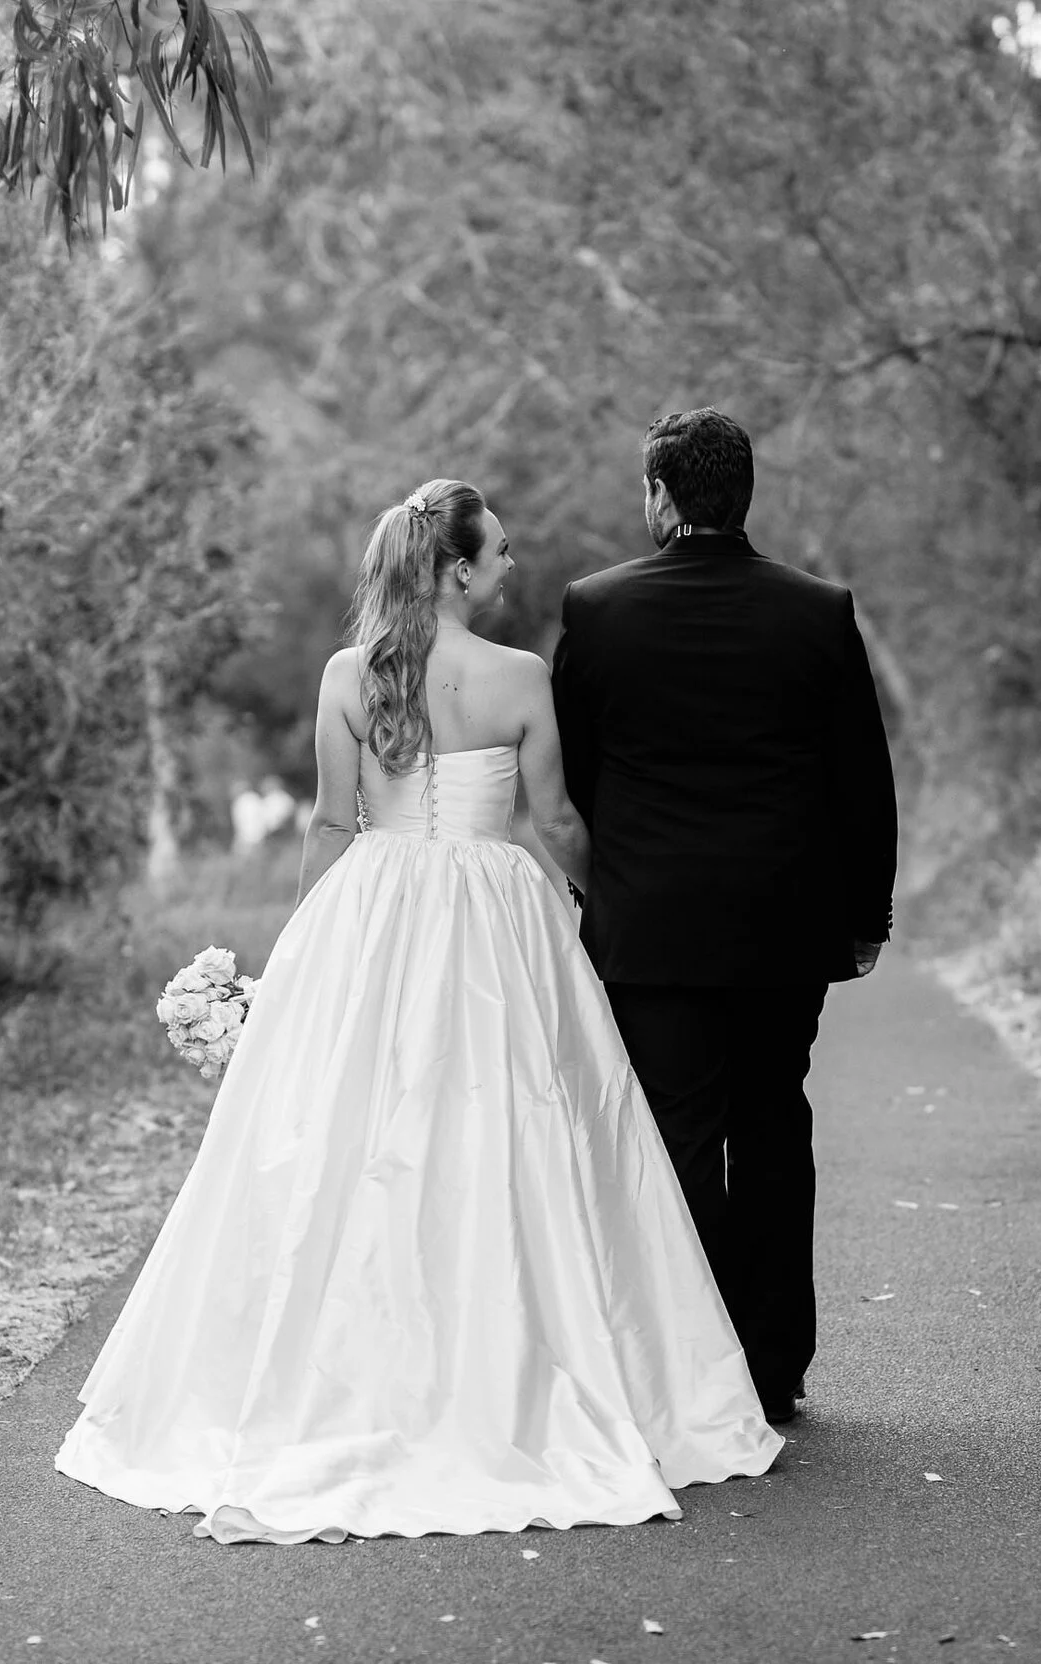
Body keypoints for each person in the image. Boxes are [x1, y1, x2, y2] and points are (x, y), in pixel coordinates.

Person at [56, 479, 781, 1543]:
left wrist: (299, 953)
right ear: (455, 567)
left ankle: (365, 1366)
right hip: (498, 916)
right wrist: (587, 894)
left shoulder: (350, 675)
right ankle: (518, 1363)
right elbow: (560, 819)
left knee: (364, 1130)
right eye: (497, 553)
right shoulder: (521, 677)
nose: (510, 566)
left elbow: (329, 823)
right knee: (512, 1122)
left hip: (375, 914)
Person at [552, 409, 898, 1426]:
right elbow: (860, 780)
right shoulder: (818, 610)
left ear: (660, 495)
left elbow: (572, 774)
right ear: (742, 494)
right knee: (774, 1129)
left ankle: (685, 1371)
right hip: (783, 924)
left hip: (650, 928)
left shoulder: (597, 610)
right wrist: (865, 913)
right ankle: (774, 1368)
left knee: (675, 1142)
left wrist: (590, 888)